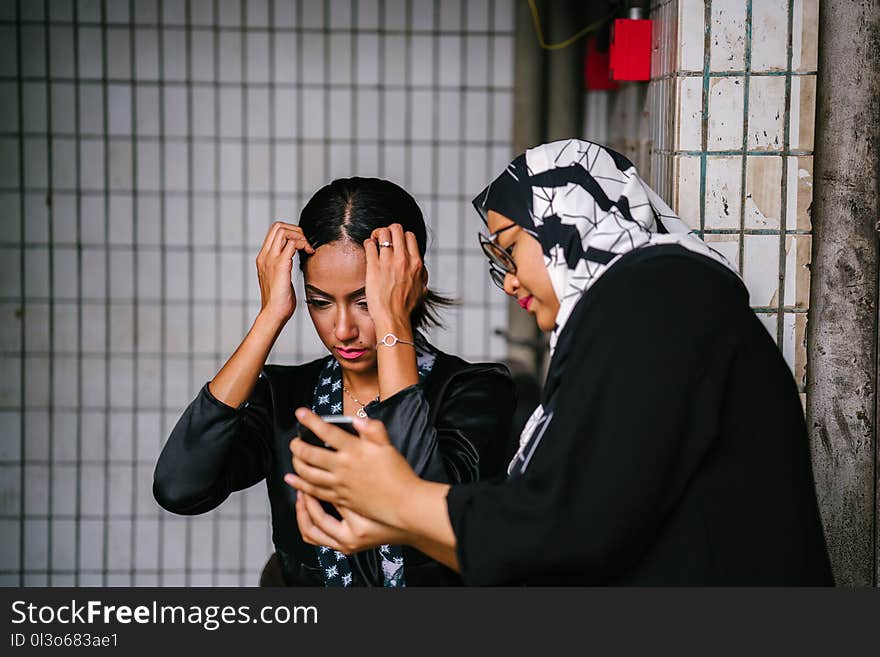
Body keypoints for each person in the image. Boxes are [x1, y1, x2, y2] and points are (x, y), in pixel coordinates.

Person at [285, 139, 834, 585]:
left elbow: (562, 524)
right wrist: (396, 516)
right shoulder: (636, 308)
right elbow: (570, 518)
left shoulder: (656, 297)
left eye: (510, 246)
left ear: (565, 219)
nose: (509, 278)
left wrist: (400, 502)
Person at [153, 177, 515, 587]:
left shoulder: (474, 391)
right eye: (320, 302)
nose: (342, 329)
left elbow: (428, 506)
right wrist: (270, 316)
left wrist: (393, 322)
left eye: (365, 302)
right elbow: (179, 487)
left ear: (410, 284)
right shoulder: (286, 397)